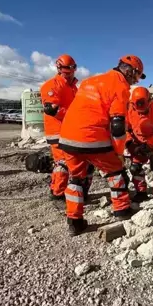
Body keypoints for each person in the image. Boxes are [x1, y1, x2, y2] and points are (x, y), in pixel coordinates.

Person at [58, 55, 146, 236]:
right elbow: (117, 125)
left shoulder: (91, 80)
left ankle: (74, 221)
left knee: (77, 179)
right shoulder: (120, 86)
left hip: (68, 137)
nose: (135, 81)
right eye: (137, 76)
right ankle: (122, 210)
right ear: (128, 71)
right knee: (116, 173)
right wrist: (119, 152)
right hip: (92, 138)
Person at [40, 54, 94, 200]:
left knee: (83, 163)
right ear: (59, 68)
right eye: (66, 69)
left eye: (72, 68)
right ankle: (57, 194)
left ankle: (79, 193)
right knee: (62, 164)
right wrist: (73, 116)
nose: (70, 71)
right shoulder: (51, 85)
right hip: (57, 131)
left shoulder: (73, 88)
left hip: (72, 131)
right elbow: (51, 109)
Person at [126, 87, 153, 211]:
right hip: (136, 142)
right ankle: (141, 193)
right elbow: (125, 129)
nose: (142, 112)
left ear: (150, 100)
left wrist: (148, 145)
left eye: (145, 110)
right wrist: (130, 143)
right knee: (135, 168)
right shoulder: (129, 109)